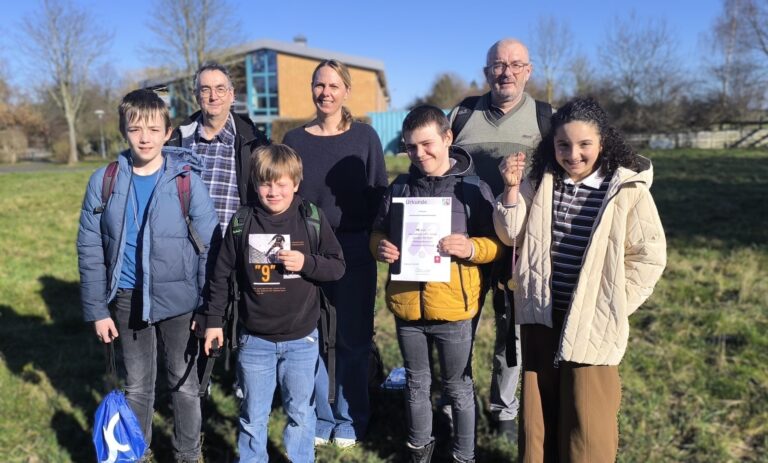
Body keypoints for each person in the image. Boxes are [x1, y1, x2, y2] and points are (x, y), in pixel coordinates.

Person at [493, 97, 667, 462]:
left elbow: (648, 257)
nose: (573, 155)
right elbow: (510, 234)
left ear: (602, 142)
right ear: (552, 145)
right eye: (563, 145)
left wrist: (612, 304)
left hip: (593, 323)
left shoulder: (626, 189)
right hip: (541, 315)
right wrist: (510, 188)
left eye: (584, 144)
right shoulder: (540, 181)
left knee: (588, 427)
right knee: (539, 420)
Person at [77, 89, 219, 463]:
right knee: (138, 386)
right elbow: (90, 249)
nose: (145, 138)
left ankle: (188, 453)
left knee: (184, 384)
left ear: (168, 132)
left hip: (181, 302)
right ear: (123, 130)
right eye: (136, 128)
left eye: (154, 129)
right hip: (127, 298)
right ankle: (137, 453)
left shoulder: (187, 181)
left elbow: (211, 248)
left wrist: (208, 308)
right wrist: (98, 310)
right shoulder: (104, 181)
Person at [371, 105, 503, 463]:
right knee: (416, 384)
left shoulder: (472, 189)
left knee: (458, 387)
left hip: (454, 310)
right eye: (411, 147)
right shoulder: (400, 186)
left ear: (448, 138)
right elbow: (378, 231)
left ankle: (464, 456)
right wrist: (379, 247)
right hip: (407, 307)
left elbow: (498, 244)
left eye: (427, 144)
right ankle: (420, 452)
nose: (419, 153)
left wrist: (471, 248)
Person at [202, 144, 345, 462]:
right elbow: (220, 276)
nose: (273, 192)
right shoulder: (242, 221)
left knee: (301, 414)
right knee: (253, 416)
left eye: (281, 184)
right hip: (255, 340)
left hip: (302, 339)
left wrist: (306, 263)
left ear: (296, 183)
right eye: (266, 184)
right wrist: (213, 321)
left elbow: (337, 266)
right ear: (255, 184)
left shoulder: (311, 218)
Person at [446, 38, 552, 439]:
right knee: (459, 329)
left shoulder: (545, 119)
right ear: (487, 71)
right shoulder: (461, 114)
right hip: (465, 244)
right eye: (498, 65)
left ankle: (504, 408)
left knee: (512, 334)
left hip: (518, 246)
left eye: (515, 64)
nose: (506, 72)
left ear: (528, 71)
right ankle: (456, 400)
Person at [283, 59, 388, 447]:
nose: (325, 92)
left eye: (332, 85)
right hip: (305, 249)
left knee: (352, 338)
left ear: (346, 90)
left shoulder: (365, 138)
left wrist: (378, 238)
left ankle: (350, 417)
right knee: (308, 337)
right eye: (319, 85)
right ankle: (318, 416)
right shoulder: (294, 140)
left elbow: (379, 192)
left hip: (353, 247)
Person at [168, 61, 270, 233]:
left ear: (232, 95)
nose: (213, 96)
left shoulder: (256, 144)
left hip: (235, 246)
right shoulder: (176, 143)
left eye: (220, 89)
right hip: (187, 246)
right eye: (205, 89)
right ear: (196, 96)